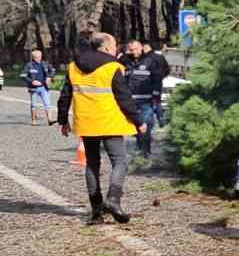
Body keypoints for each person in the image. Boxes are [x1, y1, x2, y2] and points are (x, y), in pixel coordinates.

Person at [58, 33, 145, 225]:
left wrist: (63, 120)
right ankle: (113, 199)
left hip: (87, 123)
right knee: (120, 161)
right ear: (105, 48)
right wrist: (138, 120)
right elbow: (124, 97)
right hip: (110, 122)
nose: (117, 50)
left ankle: (97, 211)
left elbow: (65, 95)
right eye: (114, 46)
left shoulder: (73, 67)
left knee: (92, 164)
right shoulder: (113, 67)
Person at [121, 39, 164, 155]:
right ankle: (140, 147)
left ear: (141, 48)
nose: (133, 52)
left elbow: (157, 79)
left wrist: (156, 95)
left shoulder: (150, 61)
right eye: (131, 50)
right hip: (130, 100)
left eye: (135, 49)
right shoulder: (124, 61)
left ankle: (145, 151)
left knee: (146, 126)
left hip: (146, 99)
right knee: (136, 126)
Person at [141, 41, 171, 127]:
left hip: (147, 83)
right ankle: (161, 120)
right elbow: (167, 69)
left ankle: (149, 122)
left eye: (144, 48)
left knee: (146, 103)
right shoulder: (160, 57)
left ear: (146, 47)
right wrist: (162, 77)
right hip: (158, 82)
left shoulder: (146, 58)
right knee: (157, 101)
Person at [25, 49, 54, 125]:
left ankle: (50, 120)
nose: (38, 58)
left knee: (47, 104)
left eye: (39, 56)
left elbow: (52, 70)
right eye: (36, 57)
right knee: (34, 105)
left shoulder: (45, 64)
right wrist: (32, 81)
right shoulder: (29, 65)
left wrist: (49, 77)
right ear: (33, 57)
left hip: (44, 87)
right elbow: (23, 75)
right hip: (34, 89)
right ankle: (34, 120)